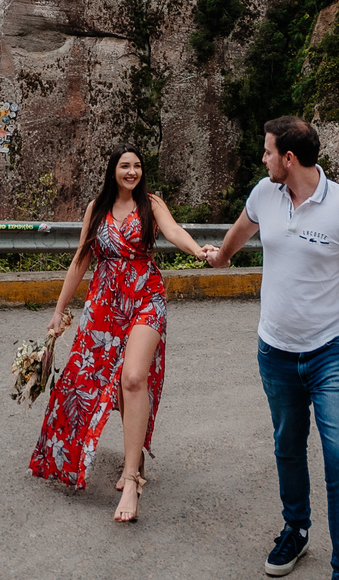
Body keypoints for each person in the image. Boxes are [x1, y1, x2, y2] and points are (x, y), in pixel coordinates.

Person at [205, 115, 339, 580]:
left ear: (289, 157)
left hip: (331, 352)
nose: (262, 160)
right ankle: (297, 529)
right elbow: (241, 231)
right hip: (276, 350)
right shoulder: (265, 195)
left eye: (268, 152)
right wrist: (219, 255)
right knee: (288, 444)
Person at [30, 145, 210, 521]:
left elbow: (174, 231)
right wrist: (59, 311)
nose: (132, 172)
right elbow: (81, 259)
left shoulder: (151, 203)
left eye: (138, 166)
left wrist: (197, 251)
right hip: (105, 303)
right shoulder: (97, 208)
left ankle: (130, 481)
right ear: (113, 170)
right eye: (125, 166)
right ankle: (134, 456)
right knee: (89, 382)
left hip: (146, 296)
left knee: (132, 378)